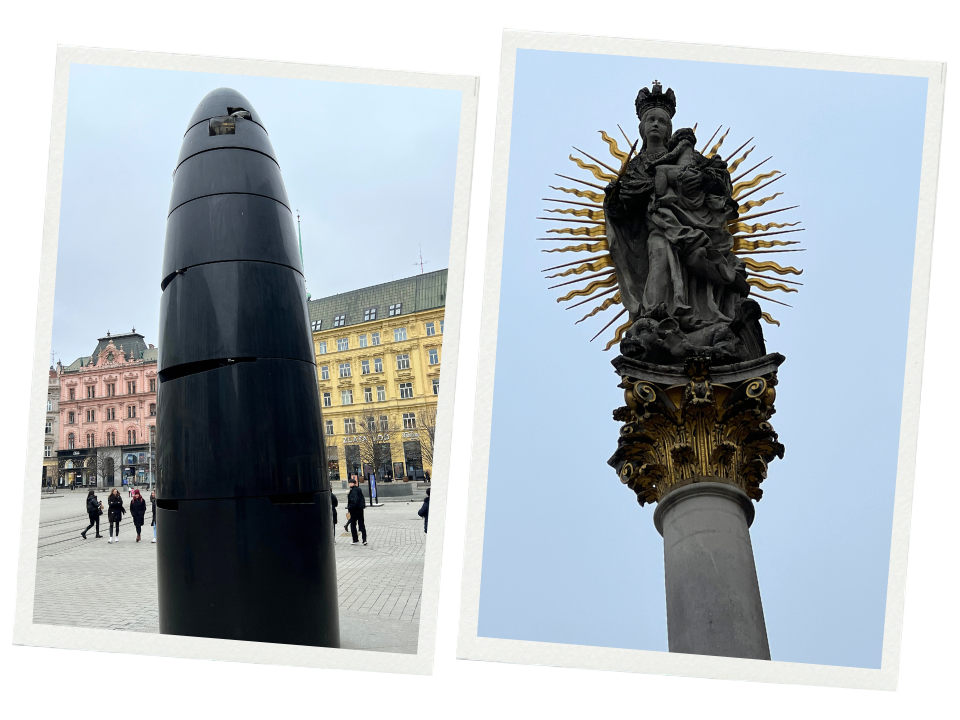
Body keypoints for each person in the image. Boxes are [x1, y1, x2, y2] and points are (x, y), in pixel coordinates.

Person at [346, 476, 367, 546]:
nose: (350, 484)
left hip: (354, 510)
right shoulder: (359, 490)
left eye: (351, 483)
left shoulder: (352, 491)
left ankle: (355, 539)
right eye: (350, 483)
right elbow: (362, 500)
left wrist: (349, 507)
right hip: (360, 510)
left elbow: (354, 501)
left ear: (354, 484)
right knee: (361, 524)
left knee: (353, 525)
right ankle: (364, 540)